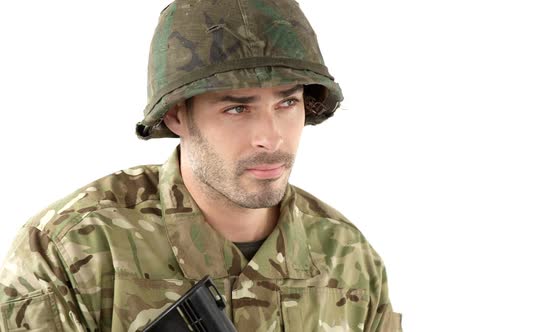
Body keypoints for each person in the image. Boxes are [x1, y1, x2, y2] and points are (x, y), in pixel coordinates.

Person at [0, 0, 402, 331]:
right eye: (237, 107)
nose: (271, 136)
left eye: (287, 102)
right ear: (177, 116)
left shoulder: (349, 259)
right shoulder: (72, 250)